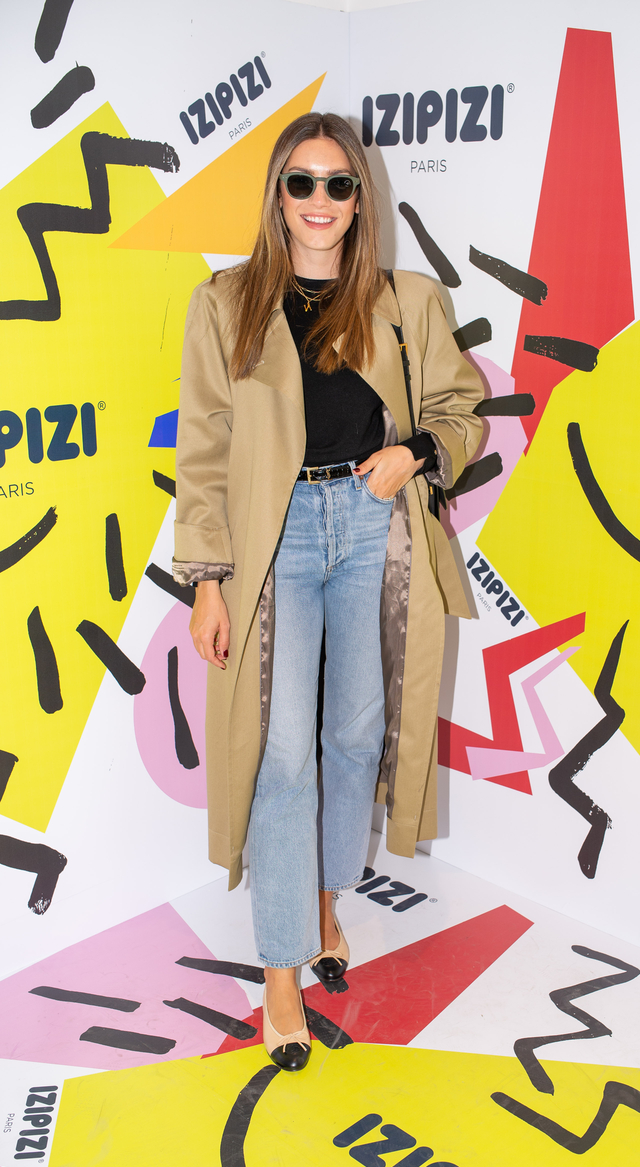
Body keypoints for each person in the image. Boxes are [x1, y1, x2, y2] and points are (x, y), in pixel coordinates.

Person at [173, 112, 483, 1073]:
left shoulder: (406, 301)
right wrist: (209, 581)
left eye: (337, 183)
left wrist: (413, 453)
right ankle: (280, 971)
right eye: (300, 182)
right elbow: (205, 451)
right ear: (277, 195)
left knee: (355, 735)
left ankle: (321, 902)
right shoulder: (226, 302)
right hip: (275, 540)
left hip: (372, 526)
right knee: (281, 755)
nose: (319, 200)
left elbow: (462, 412)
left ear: (360, 199)